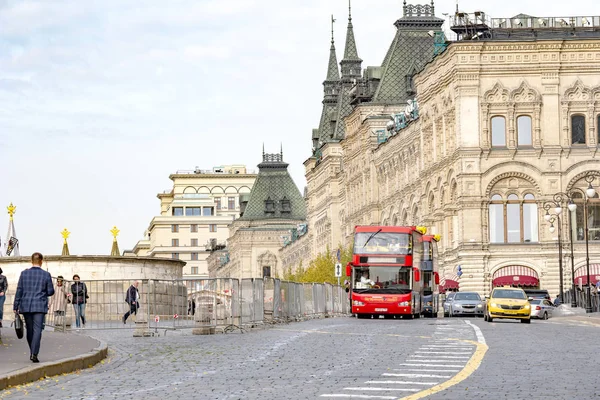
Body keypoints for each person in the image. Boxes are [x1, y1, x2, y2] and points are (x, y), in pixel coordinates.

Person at [13, 252, 54, 363]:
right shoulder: (46, 274)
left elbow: (19, 290)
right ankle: (34, 353)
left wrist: (15, 305)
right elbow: (51, 291)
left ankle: (32, 350)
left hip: (26, 305)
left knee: (29, 330)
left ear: (31, 261)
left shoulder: (24, 274)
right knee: (37, 330)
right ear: (41, 261)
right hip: (39, 305)